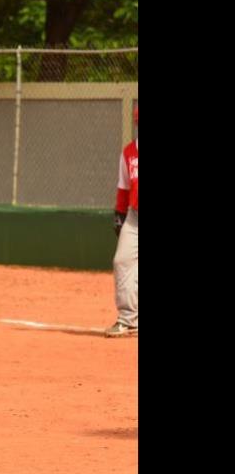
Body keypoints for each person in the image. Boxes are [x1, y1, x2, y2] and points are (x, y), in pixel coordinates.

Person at [106, 105, 138, 337]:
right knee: (122, 261)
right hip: (135, 217)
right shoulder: (129, 152)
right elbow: (123, 187)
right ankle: (129, 320)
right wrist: (119, 215)